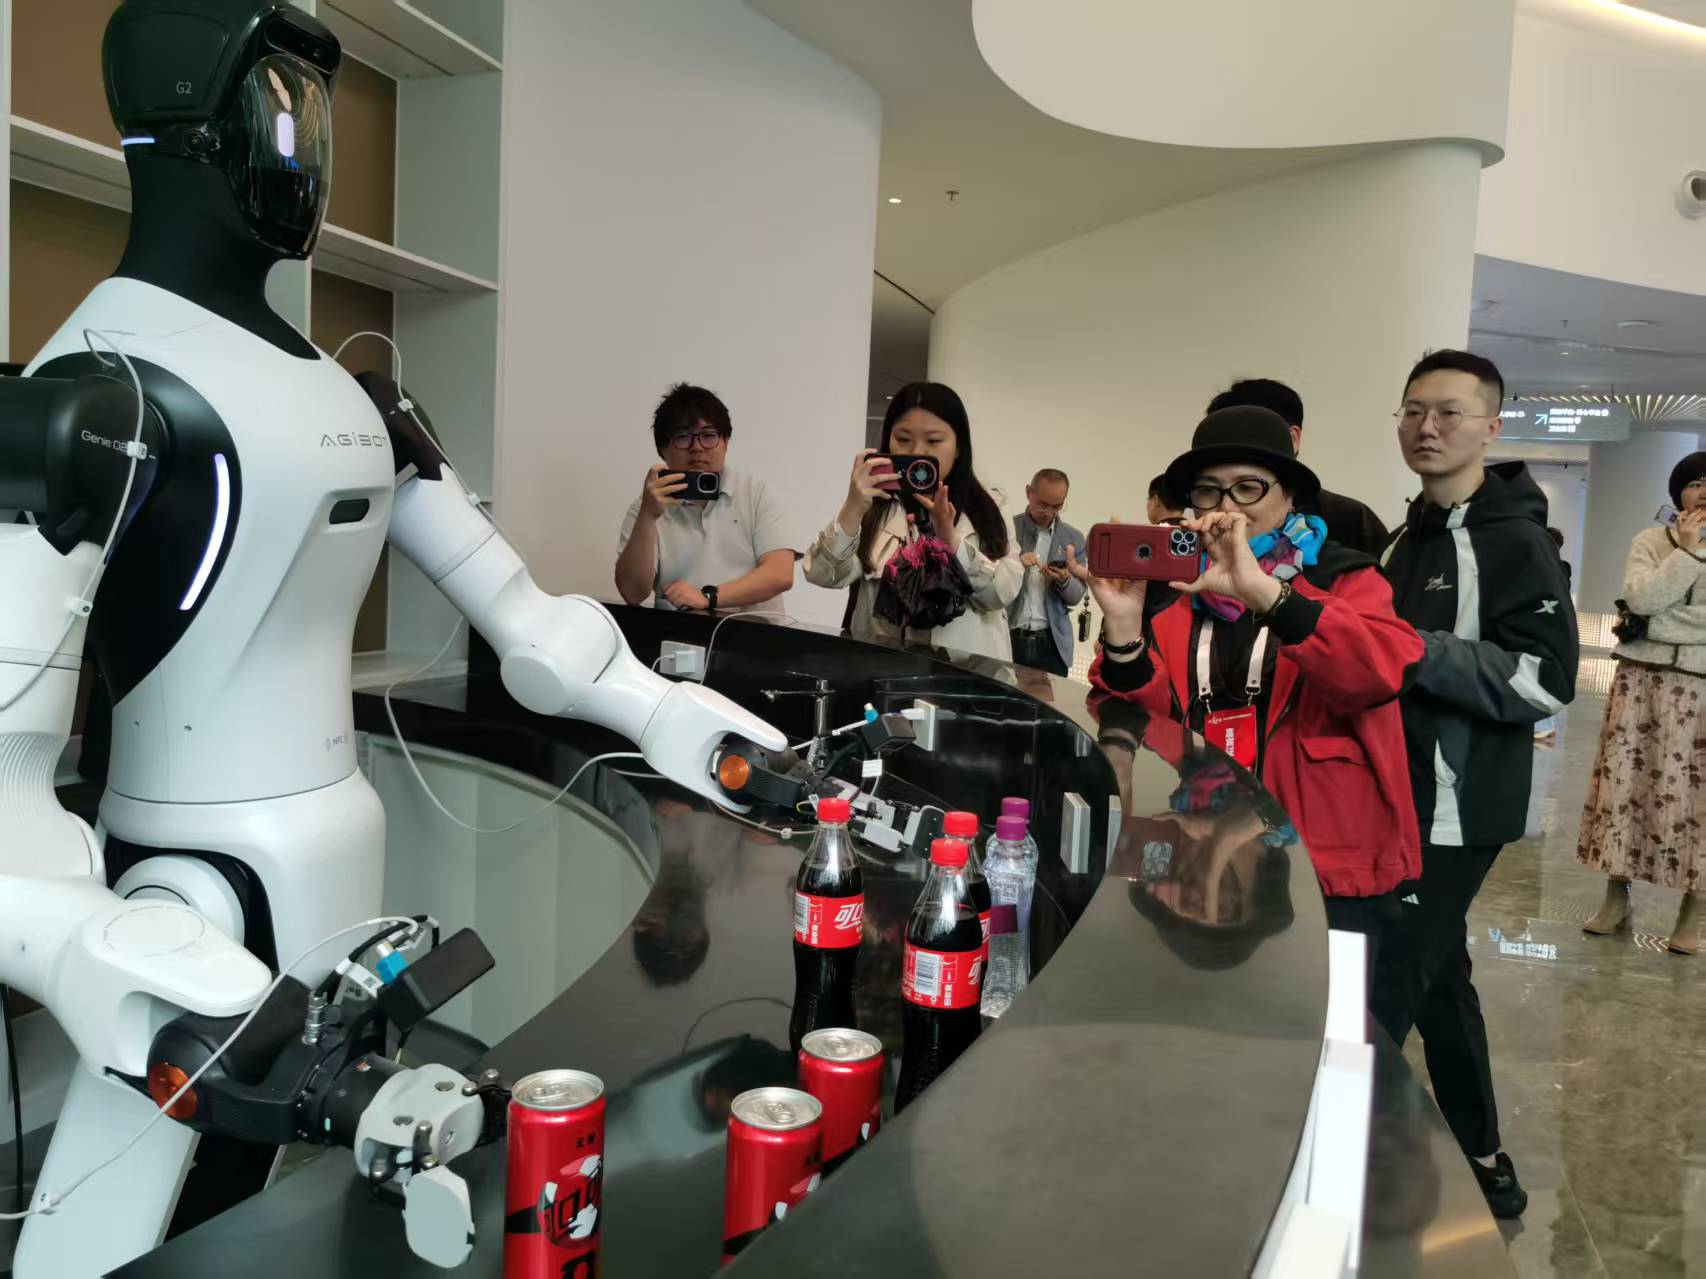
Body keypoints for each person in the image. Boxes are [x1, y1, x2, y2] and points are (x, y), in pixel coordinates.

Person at [1069, 405, 1422, 969]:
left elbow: (1382, 672)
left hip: (1330, 865)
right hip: (1208, 809)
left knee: (1339, 1018)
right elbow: (1142, 721)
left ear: (1289, 496)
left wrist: (1266, 594)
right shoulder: (1174, 589)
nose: (1227, 507)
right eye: (1208, 491)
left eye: (1248, 487)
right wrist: (1125, 630)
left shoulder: (1343, 577)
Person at [1375, 349, 1578, 1219]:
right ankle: (1486, 1159)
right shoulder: (1405, 534)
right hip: (1392, 797)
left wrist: (1411, 650)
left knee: (1383, 991)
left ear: (1491, 427)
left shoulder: (1513, 540)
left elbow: (1547, 679)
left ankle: (1333, 1169)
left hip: (1454, 807)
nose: (1427, 427)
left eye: (1449, 412)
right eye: (1413, 410)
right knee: (1440, 978)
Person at [1577, 450, 1706, 954]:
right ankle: (1617, 897)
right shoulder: (1650, 541)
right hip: (1641, 680)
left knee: (1698, 798)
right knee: (1626, 788)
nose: (1703, 492)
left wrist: (1661, 621)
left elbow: (1654, 611)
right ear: (1678, 493)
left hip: (1701, 684)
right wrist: (1687, 554)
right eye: (1694, 483)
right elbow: (1642, 599)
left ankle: (1694, 910)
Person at [804, 382, 1022, 659]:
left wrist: (951, 541)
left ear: (958, 446)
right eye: (903, 439)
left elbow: (1002, 593)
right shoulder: (875, 506)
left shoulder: (988, 508)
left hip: (966, 672)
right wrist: (852, 507)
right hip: (882, 670)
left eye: (933, 441)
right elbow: (822, 575)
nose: (917, 451)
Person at [615, 383, 795, 614]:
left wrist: (708, 597)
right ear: (662, 448)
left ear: (725, 442)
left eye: (708, 436)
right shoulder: (646, 508)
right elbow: (632, 593)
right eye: (683, 437)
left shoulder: (757, 494)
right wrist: (647, 517)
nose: (697, 447)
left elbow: (780, 574)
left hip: (755, 633)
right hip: (679, 634)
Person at [1207, 378, 1390, 555]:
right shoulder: (1202, 528)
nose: (1227, 508)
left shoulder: (1351, 520)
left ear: (1292, 439)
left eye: (1247, 488)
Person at [1008, 468, 1087, 676]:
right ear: (1029, 492)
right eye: (1043, 504)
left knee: (1051, 698)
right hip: (1009, 635)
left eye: (1057, 506)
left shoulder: (1073, 539)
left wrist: (1064, 580)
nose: (1049, 512)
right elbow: (989, 579)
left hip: (1052, 643)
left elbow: (1076, 596)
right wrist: (1015, 566)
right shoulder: (1008, 528)